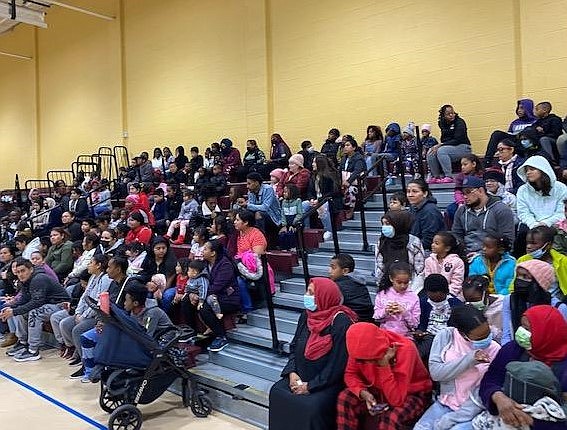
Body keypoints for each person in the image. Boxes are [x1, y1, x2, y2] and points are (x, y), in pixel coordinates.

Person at [269, 277, 356, 430]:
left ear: (324, 297)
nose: (307, 296)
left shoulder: (341, 322)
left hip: (327, 383)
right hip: (300, 376)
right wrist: (292, 372)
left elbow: (337, 366)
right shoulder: (306, 315)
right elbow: (295, 346)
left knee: (311, 407)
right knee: (276, 392)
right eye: (307, 291)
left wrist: (311, 386)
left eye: (311, 293)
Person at [479, 305, 567, 430]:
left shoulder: (563, 366)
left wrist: (528, 419)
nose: (521, 332)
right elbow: (490, 380)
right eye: (521, 326)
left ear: (545, 333)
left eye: (527, 329)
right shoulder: (512, 349)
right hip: (503, 418)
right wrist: (497, 397)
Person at [414, 305, 501, 430]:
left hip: (476, 408)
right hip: (446, 402)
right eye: (479, 338)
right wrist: (470, 360)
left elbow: (490, 386)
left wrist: (454, 418)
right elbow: (436, 373)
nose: (486, 339)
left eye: (487, 334)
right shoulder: (446, 336)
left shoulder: (495, 349)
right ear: (462, 333)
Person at [336, 322, 432, 430]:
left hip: (411, 392)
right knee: (345, 398)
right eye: (363, 361)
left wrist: (384, 365)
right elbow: (350, 374)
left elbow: (396, 400)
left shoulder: (405, 349)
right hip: (377, 389)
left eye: (371, 360)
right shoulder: (359, 347)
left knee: (390, 419)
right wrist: (363, 393)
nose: (367, 363)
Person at [1, 258, 69, 362]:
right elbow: (24, 299)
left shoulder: (38, 279)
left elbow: (37, 302)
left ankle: (33, 351)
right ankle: (23, 342)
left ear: (31, 270)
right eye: (18, 272)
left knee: (34, 313)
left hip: (60, 304)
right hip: (47, 304)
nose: (20, 274)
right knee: (20, 311)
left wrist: (14, 311)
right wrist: (12, 307)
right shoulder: (26, 280)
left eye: (23, 271)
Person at [501, 259, 567, 345]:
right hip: (516, 348)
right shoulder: (509, 300)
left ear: (540, 283)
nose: (519, 280)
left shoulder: (558, 308)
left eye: (525, 277)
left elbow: (561, 340)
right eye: (518, 276)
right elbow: (506, 334)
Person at [515, 155, 567, 256]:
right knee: (523, 235)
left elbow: (561, 212)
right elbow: (523, 213)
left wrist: (546, 223)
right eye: (526, 170)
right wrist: (534, 225)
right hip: (531, 226)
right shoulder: (522, 190)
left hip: (554, 225)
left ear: (542, 169)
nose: (528, 172)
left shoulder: (561, 188)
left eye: (532, 169)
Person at [195, 240, 240, 352]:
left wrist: (200, 295)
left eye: (205, 249)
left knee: (204, 308)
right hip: (212, 296)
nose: (202, 251)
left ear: (213, 253)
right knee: (187, 300)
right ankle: (195, 332)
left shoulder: (225, 265)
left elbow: (216, 287)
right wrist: (193, 293)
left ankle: (221, 336)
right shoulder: (205, 264)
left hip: (228, 298)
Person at [452, 176, 515, 253]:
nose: (464, 197)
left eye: (468, 192)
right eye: (463, 193)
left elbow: (508, 241)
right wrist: (463, 254)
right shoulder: (461, 211)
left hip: (493, 256)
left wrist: (482, 256)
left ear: (481, 191)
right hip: (467, 254)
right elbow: (456, 236)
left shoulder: (501, 210)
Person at [413, 274, 462, 363]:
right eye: (432, 296)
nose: (435, 299)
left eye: (439, 297)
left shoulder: (455, 304)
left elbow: (457, 325)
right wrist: (419, 330)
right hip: (428, 334)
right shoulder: (423, 302)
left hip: (447, 336)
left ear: (446, 292)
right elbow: (420, 321)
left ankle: (415, 360)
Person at [374, 210, 425, 292]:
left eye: (387, 224)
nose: (384, 227)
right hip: (387, 288)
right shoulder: (381, 243)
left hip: (410, 289)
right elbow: (379, 269)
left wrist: (410, 292)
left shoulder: (413, 242)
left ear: (398, 224)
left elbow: (419, 271)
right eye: (383, 224)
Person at [483, 99, 537, 167]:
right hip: (514, 142)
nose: (519, 110)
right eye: (518, 108)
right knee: (497, 133)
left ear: (528, 108)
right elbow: (509, 134)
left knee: (527, 132)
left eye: (522, 108)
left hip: (526, 144)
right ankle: (487, 161)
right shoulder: (515, 122)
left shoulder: (536, 121)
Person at [373, 261, 420, 337]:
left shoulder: (413, 297)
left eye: (406, 282)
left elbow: (415, 324)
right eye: (399, 282)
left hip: (405, 337)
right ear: (391, 279)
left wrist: (404, 312)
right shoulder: (382, 294)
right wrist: (386, 311)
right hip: (385, 335)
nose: (402, 286)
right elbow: (376, 317)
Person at [427, 105, 472, 183]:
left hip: (464, 147)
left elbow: (458, 139)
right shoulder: (442, 123)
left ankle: (449, 176)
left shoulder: (460, 122)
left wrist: (441, 145)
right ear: (443, 116)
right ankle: (436, 176)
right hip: (450, 147)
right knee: (431, 151)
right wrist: (440, 145)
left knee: (441, 150)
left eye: (452, 113)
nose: (451, 115)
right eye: (448, 114)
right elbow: (444, 139)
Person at [518, 225, 567, 295]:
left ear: (548, 245)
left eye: (533, 243)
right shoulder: (523, 260)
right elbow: (514, 285)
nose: (528, 246)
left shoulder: (562, 261)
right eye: (528, 243)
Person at [305, 154, 343, 240]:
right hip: (316, 200)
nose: (312, 164)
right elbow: (310, 191)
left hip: (330, 200)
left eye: (314, 162)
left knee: (322, 207)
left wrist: (319, 200)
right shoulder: (313, 176)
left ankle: (329, 230)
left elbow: (334, 192)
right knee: (303, 205)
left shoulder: (331, 175)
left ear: (320, 163)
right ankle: (306, 229)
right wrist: (311, 199)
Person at [328, 253, 374, 322]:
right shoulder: (359, 281)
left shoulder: (338, 286)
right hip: (368, 321)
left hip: (353, 322)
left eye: (333, 268)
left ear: (345, 271)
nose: (329, 271)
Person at [138, 236, 178, 313]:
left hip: (169, 286)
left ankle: (162, 316)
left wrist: (160, 291)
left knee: (167, 296)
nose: (161, 251)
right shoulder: (149, 258)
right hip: (152, 285)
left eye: (164, 248)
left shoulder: (171, 259)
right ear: (153, 249)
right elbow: (144, 273)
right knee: (147, 294)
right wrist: (148, 283)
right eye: (158, 248)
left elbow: (170, 278)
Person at [424, 231, 467, 300]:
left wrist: (443, 294)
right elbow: (428, 280)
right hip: (432, 295)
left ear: (447, 248)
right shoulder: (428, 260)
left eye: (436, 243)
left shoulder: (457, 262)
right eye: (433, 242)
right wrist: (433, 294)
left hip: (452, 295)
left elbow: (457, 284)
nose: (432, 245)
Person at [243, 172, 282, 245]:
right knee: (245, 215)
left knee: (258, 214)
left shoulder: (268, 189)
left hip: (274, 217)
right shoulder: (250, 192)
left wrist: (247, 205)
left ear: (256, 183)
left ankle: (261, 242)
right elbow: (251, 206)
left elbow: (265, 207)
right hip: (260, 215)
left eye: (249, 183)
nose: (247, 186)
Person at [462, 275, 504, 344]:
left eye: (474, 300)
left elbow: (505, 336)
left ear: (486, 294)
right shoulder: (467, 308)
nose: (471, 303)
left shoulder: (502, 305)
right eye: (467, 300)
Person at [407, 179, 445, 251]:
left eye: (415, 191)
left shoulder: (430, 211)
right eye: (408, 191)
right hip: (415, 246)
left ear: (425, 193)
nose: (410, 195)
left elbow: (428, 240)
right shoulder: (412, 208)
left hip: (429, 250)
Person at [446, 154, 483, 221]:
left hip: (478, 200)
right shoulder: (460, 177)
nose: (462, 167)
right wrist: (460, 202)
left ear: (474, 164)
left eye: (465, 164)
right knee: (451, 209)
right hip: (464, 200)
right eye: (461, 165)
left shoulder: (481, 175)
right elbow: (458, 191)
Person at [340, 136, 367, 219]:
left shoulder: (359, 158)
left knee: (351, 190)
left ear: (354, 147)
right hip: (344, 181)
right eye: (344, 146)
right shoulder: (344, 158)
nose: (345, 147)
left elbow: (357, 171)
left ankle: (351, 210)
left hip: (357, 183)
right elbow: (340, 170)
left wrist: (348, 181)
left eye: (348, 145)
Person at [278, 184, 302, 250]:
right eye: (284, 192)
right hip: (287, 224)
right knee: (282, 234)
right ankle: (284, 249)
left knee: (291, 233)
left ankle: (293, 249)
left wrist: (293, 225)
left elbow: (299, 214)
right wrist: (284, 225)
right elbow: (282, 214)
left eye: (286, 192)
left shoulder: (298, 201)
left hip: (296, 224)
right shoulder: (283, 202)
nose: (284, 194)